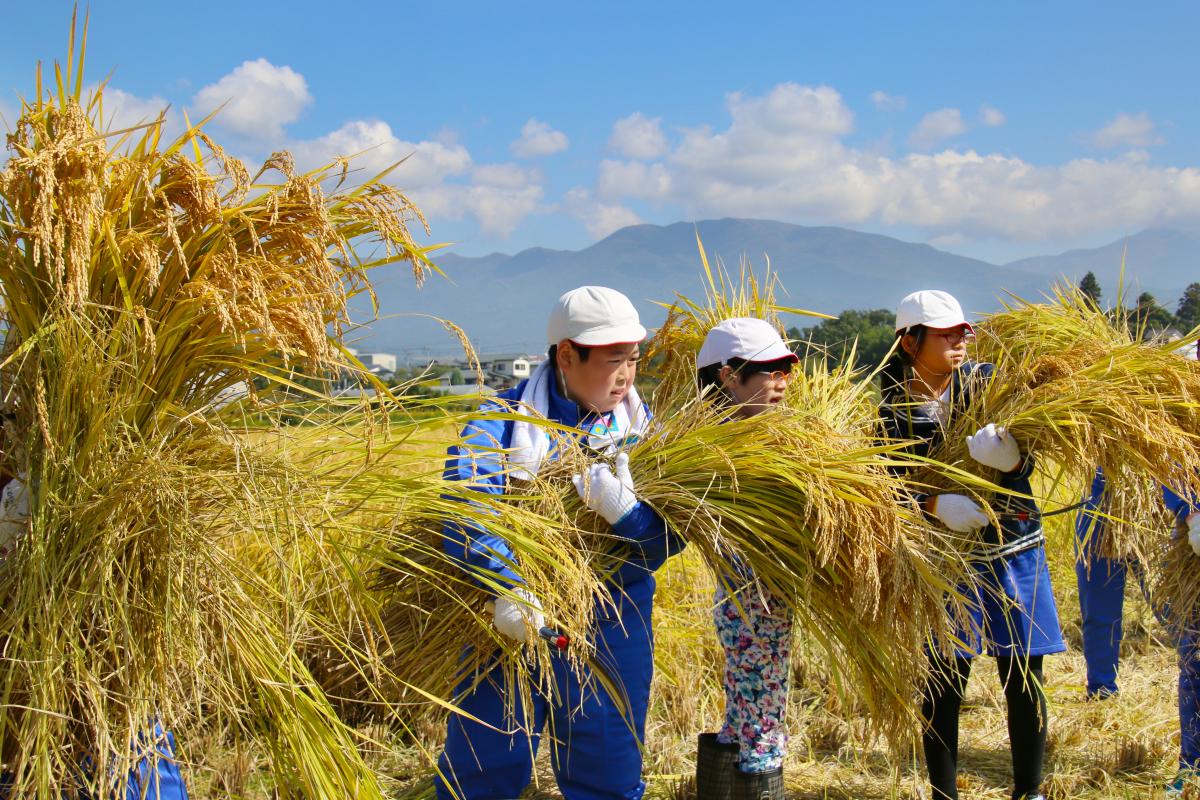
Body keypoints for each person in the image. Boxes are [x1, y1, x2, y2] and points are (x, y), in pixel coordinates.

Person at [435, 286, 683, 800]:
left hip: (614, 620)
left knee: (609, 773)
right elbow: (467, 508)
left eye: (633, 361)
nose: (626, 376)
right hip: (512, 619)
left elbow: (669, 541)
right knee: (485, 766)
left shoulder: (644, 434)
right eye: (614, 361)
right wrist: (507, 586)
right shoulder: (502, 422)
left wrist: (628, 514)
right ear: (567, 354)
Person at [879, 290, 1063, 800]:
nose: (959, 342)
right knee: (942, 676)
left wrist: (1013, 462)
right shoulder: (890, 402)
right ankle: (943, 793)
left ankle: (1030, 789)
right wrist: (933, 506)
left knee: (1024, 672)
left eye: (963, 332)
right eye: (945, 334)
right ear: (909, 341)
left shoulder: (989, 386)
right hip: (943, 558)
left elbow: (1034, 449)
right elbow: (883, 482)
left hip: (1011, 546)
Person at [691, 318, 798, 800]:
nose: (780, 382)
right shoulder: (721, 451)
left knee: (744, 716)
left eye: (785, 371)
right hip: (750, 609)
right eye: (768, 371)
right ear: (729, 377)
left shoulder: (764, 440)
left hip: (764, 606)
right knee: (763, 727)